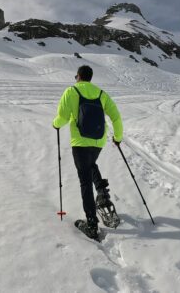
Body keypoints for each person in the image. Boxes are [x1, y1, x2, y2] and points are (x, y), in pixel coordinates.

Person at [53, 65, 123, 239]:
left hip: (80, 142)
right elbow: (116, 117)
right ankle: (102, 192)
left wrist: (55, 124)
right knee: (91, 165)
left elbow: (62, 117)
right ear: (90, 78)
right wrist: (118, 137)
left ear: (78, 76)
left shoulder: (72, 91)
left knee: (85, 181)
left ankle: (92, 224)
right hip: (98, 142)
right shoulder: (101, 94)